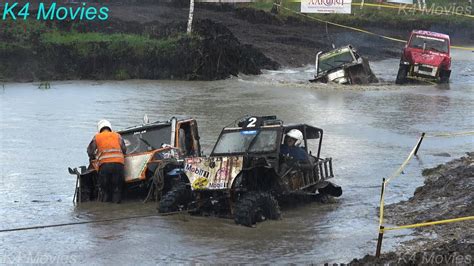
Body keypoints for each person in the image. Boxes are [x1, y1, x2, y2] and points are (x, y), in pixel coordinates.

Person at [87, 119, 126, 203]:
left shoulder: (97, 137)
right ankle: (116, 207)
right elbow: (124, 149)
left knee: (105, 190)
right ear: (110, 127)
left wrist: (93, 157)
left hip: (105, 166)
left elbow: (90, 151)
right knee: (117, 188)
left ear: (100, 129)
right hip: (119, 165)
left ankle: (105, 210)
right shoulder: (117, 135)